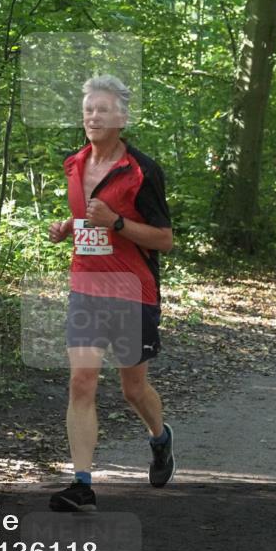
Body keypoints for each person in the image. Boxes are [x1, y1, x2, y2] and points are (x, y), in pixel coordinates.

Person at [46, 75, 175, 512]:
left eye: (102, 109)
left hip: (131, 289)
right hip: (85, 286)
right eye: (88, 109)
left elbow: (163, 239)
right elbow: (87, 217)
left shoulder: (143, 170)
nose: (93, 116)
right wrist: (68, 227)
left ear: (122, 117)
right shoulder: (74, 163)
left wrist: (117, 223)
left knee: (132, 389)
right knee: (81, 382)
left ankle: (160, 437)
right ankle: (81, 484)